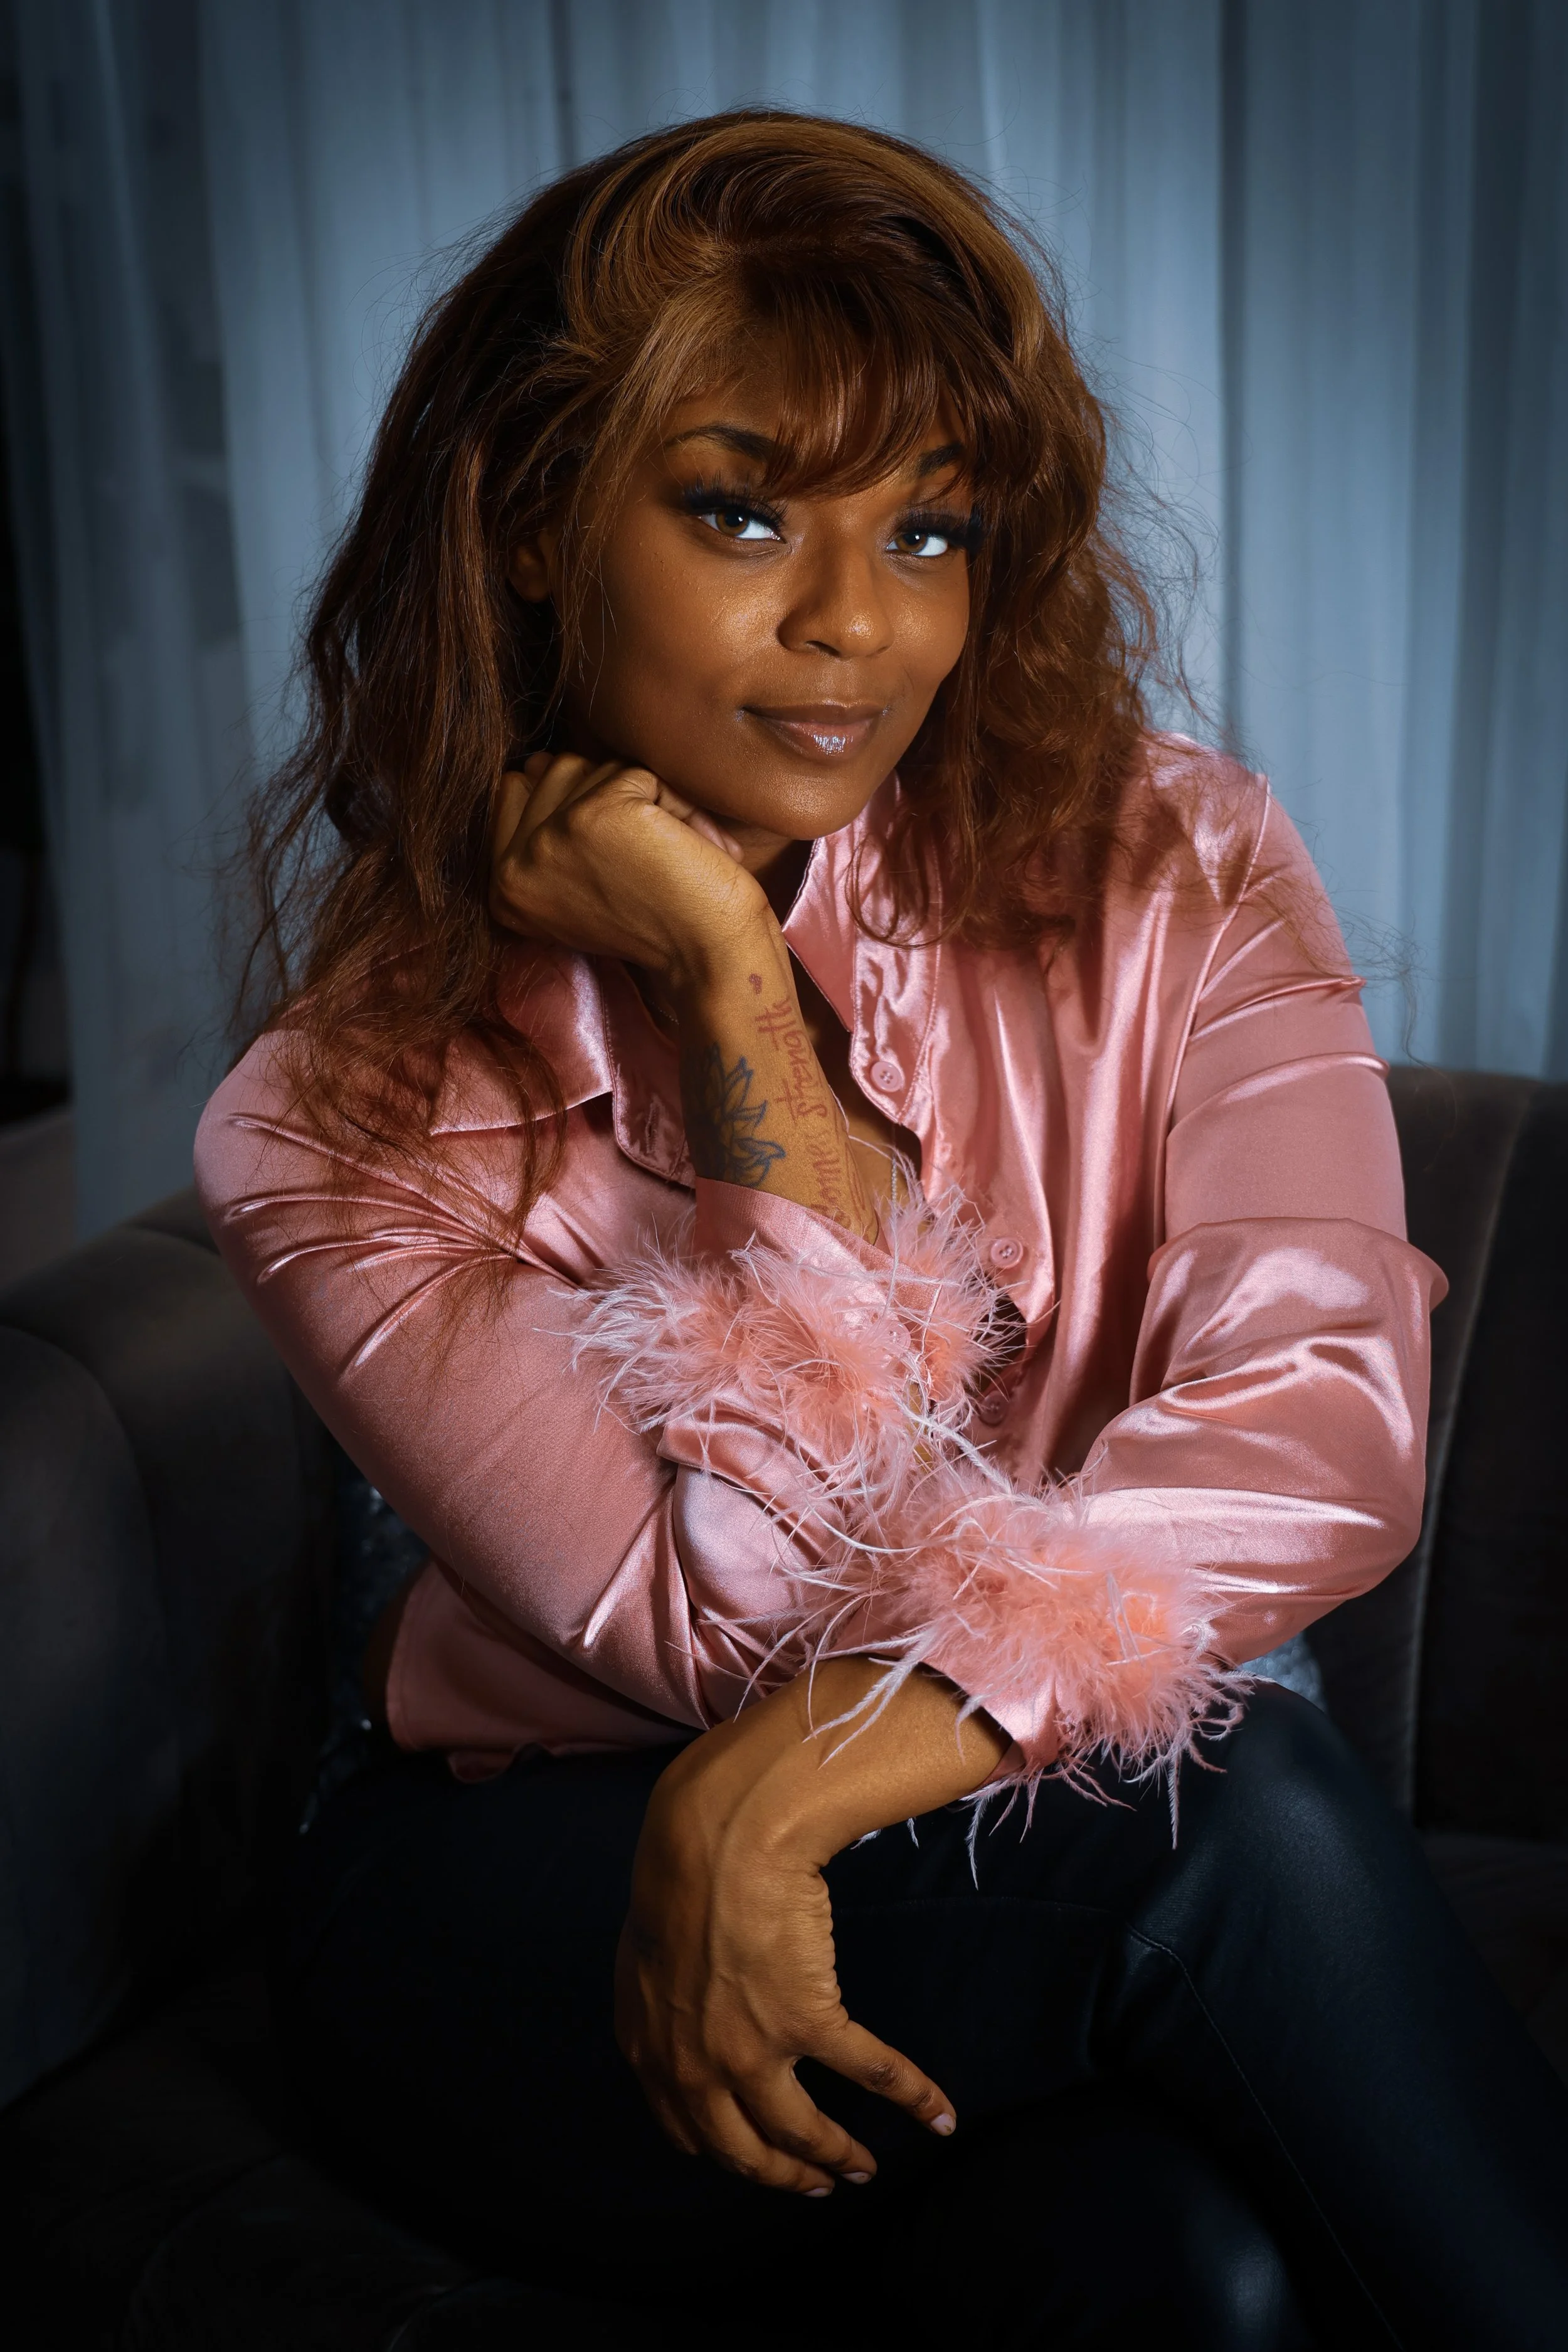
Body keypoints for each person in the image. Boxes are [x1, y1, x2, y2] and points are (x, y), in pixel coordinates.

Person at [196, 112, 1568, 2347]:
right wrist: (729, 994)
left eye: (926, 529)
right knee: (1222, 1805)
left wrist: (794, 1793)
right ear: (535, 519)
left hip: (963, 1850)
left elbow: (1322, 1419)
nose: (853, 623)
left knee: (1190, 2273)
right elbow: (740, 1625)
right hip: (525, 1896)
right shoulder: (329, 1121)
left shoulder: (1172, 863)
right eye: (740, 513)